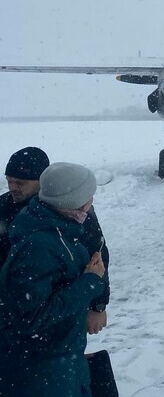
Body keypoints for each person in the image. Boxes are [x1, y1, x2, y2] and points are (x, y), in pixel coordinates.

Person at [0, 162, 107, 396]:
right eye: (89, 196)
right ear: (75, 201)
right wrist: (89, 282)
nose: (91, 202)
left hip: (60, 360)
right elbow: (31, 318)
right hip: (42, 371)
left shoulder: (61, 230)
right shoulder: (39, 247)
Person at [0, 147, 110, 332]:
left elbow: (98, 257)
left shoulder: (75, 212)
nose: (12, 188)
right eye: (8, 181)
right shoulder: (3, 207)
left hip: (60, 309)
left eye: (20, 182)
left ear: (41, 182)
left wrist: (98, 306)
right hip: (12, 308)